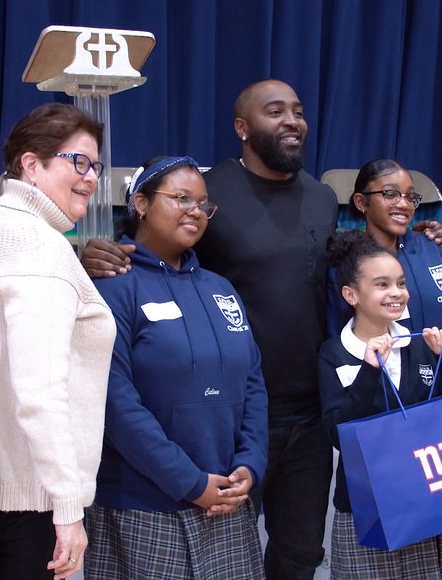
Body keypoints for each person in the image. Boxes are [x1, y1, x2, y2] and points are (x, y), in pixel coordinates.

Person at [79, 79, 442, 579]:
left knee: (300, 553)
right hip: (230, 420)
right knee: (223, 554)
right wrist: (99, 251)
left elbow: (354, 263)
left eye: (297, 111)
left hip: (309, 413)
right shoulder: (214, 195)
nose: (291, 120)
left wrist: (419, 239)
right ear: (242, 127)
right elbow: (160, 251)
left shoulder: (321, 198)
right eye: (274, 111)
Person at [86, 156, 268, 579]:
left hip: (226, 499)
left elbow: (253, 383)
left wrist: (250, 464)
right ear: (142, 203)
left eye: (204, 204)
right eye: (181, 198)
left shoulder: (220, 289)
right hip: (142, 506)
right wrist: (190, 482)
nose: (195, 211)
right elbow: (115, 404)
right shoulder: (113, 286)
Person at [0, 103, 116, 580]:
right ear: (31, 164)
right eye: (77, 162)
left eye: (95, 166)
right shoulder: (34, 245)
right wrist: (67, 507)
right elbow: (40, 389)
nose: (90, 178)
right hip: (35, 501)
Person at [318, 230, 442, 579]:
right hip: (364, 509)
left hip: (423, 498)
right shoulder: (334, 354)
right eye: (382, 285)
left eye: (400, 283)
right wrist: (369, 371)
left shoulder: (420, 343)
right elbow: (340, 434)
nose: (396, 293)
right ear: (351, 294)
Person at [343, 158, 442, 385]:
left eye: (410, 196)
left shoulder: (431, 250)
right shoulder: (350, 261)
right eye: (391, 194)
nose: (404, 204)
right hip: (387, 401)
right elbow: (341, 337)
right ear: (361, 202)